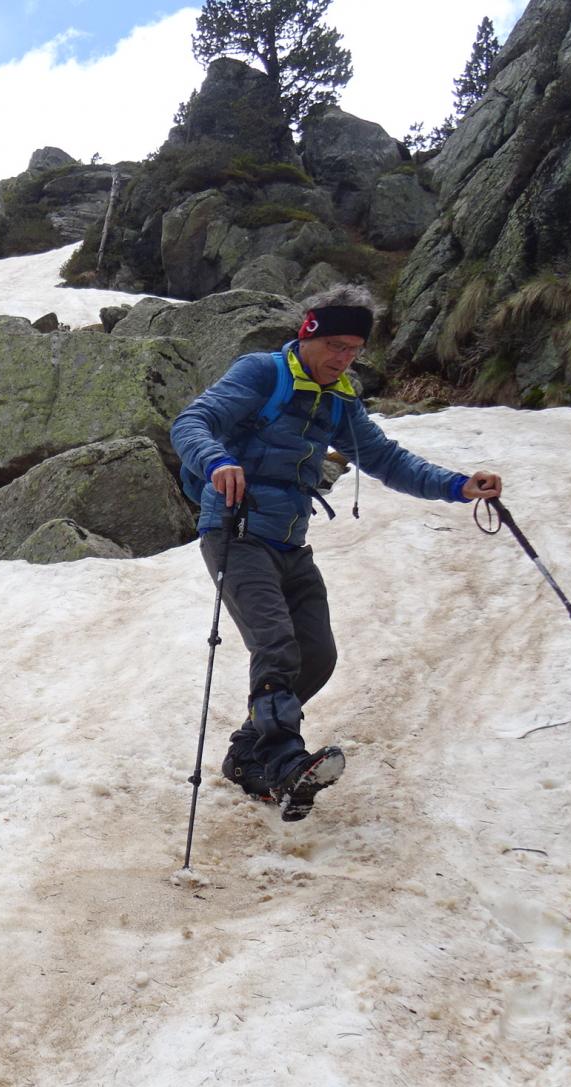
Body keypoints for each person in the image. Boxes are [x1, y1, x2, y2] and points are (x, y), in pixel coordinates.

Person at [169, 285, 504, 815]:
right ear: (309, 334)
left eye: (355, 350)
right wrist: (217, 462)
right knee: (276, 645)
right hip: (234, 531)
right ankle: (284, 762)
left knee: (317, 655)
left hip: (290, 540)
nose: (345, 359)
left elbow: (385, 459)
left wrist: (459, 486)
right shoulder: (262, 373)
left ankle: (247, 754)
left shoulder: (341, 398)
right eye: (337, 347)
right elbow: (191, 422)